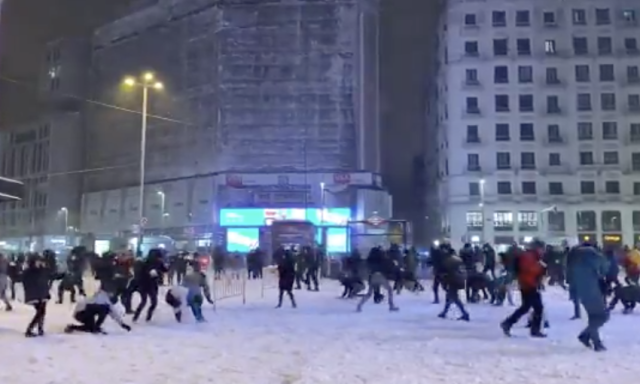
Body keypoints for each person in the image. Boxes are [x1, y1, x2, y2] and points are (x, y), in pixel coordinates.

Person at [567, 243, 610, 351]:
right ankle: (588, 337)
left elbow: (568, 278)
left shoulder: (572, 258)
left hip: (580, 291)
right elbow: (605, 269)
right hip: (592, 289)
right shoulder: (594, 255)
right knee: (601, 316)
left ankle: (592, 339)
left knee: (594, 317)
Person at [500, 240, 546, 338]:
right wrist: (540, 268)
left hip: (528, 284)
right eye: (542, 249)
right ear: (537, 248)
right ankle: (534, 330)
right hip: (529, 285)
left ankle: (508, 323)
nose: (543, 251)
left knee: (526, 307)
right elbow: (528, 270)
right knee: (538, 308)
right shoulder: (529, 256)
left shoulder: (533, 256)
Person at [65, 285, 132, 334]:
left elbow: (113, 313)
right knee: (104, 309)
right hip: (82, 312)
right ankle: (95, 327)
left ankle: (73, 327)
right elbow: (111, 311)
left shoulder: (104, 298)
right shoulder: (103, 298)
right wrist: (122, 324)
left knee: (89, 327)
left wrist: (122, 324)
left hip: (81, 313)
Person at [22, 255, 51, 337]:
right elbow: (27, 284)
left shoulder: (42, 270)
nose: (40, 262)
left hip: (43, 294)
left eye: (40, 261)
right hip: (35, 295)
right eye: (38, 261)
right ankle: (29, 330)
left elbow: (47, 279)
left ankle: (40, 328)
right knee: (40, 312)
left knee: (42, 312)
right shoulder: (29, 272)